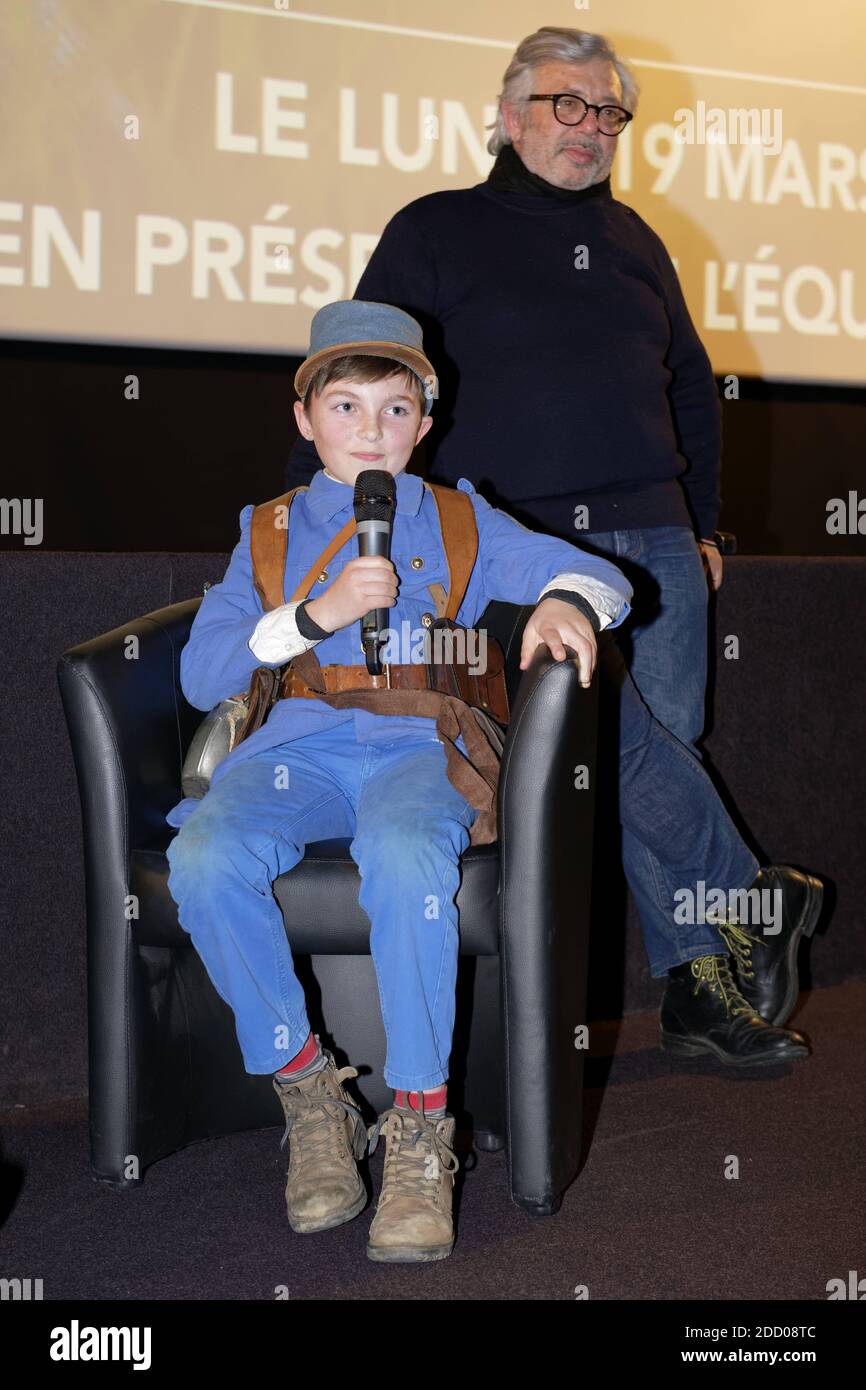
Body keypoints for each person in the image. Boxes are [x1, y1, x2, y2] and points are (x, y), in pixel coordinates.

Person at [165, 300, 819, 1265]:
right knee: (205, 854)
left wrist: (561, 600)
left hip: (421, 751)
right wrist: (313, 616)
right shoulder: (267, 532)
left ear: (425, 422)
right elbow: (201, 670)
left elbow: (608, 583)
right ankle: (309, 1097)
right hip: (295, 751)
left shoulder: (460, 515)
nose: (371, 434)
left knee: (405, 850)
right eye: (345, 409)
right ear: (305, 420)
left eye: (395, 411)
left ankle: (423, 1130)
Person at [283, 27, 783, 1019]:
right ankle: (747, 910)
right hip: (509, 549)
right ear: (509, 117)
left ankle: (698, 990)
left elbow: (689, 384)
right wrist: (321, 524)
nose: (587, 128)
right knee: (617, 752)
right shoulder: (432, 227)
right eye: (565, 104)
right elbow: (362, 381)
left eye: (605, 112)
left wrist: (707, 529)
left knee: (661, 748)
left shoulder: (639, 240)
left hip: (655, 539)